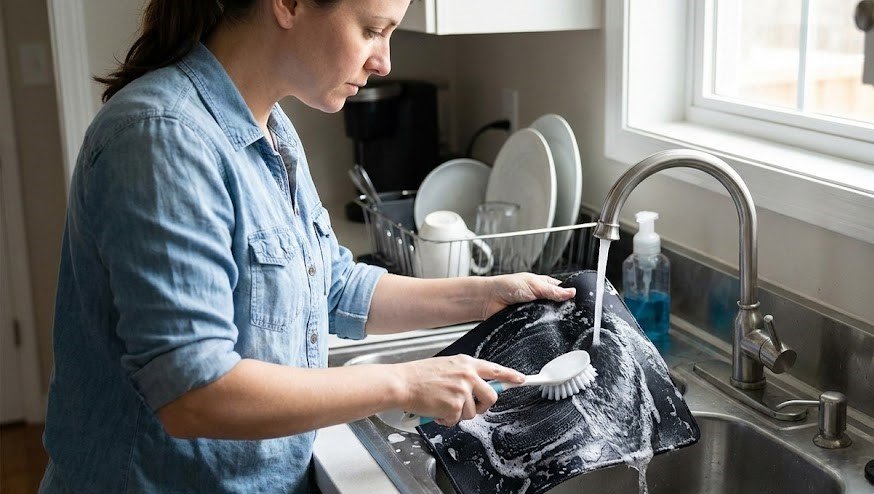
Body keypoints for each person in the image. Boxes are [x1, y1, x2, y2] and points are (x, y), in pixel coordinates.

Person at [39, 0, 577, 492]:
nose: (384, 62)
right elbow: (193, 394)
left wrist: (483, 296)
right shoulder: (162, 138)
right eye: (372, 31)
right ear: (289, 5)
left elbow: (331, 284)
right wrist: (403, 382)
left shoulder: (272, 126)